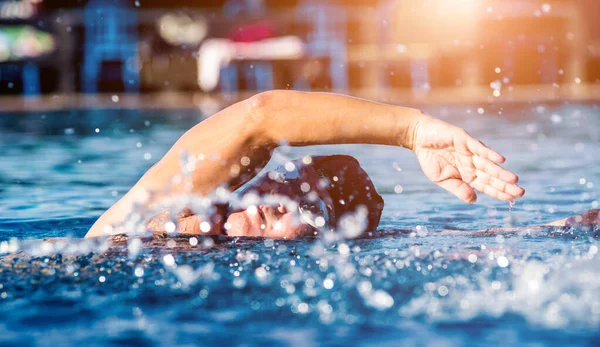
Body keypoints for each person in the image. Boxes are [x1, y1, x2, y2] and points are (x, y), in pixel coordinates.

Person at [86, 90, 531, 239]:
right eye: (286, 179)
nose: (282, 202)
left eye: (313, 211)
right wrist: (409, 131)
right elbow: (260, 118)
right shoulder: (138, 222)